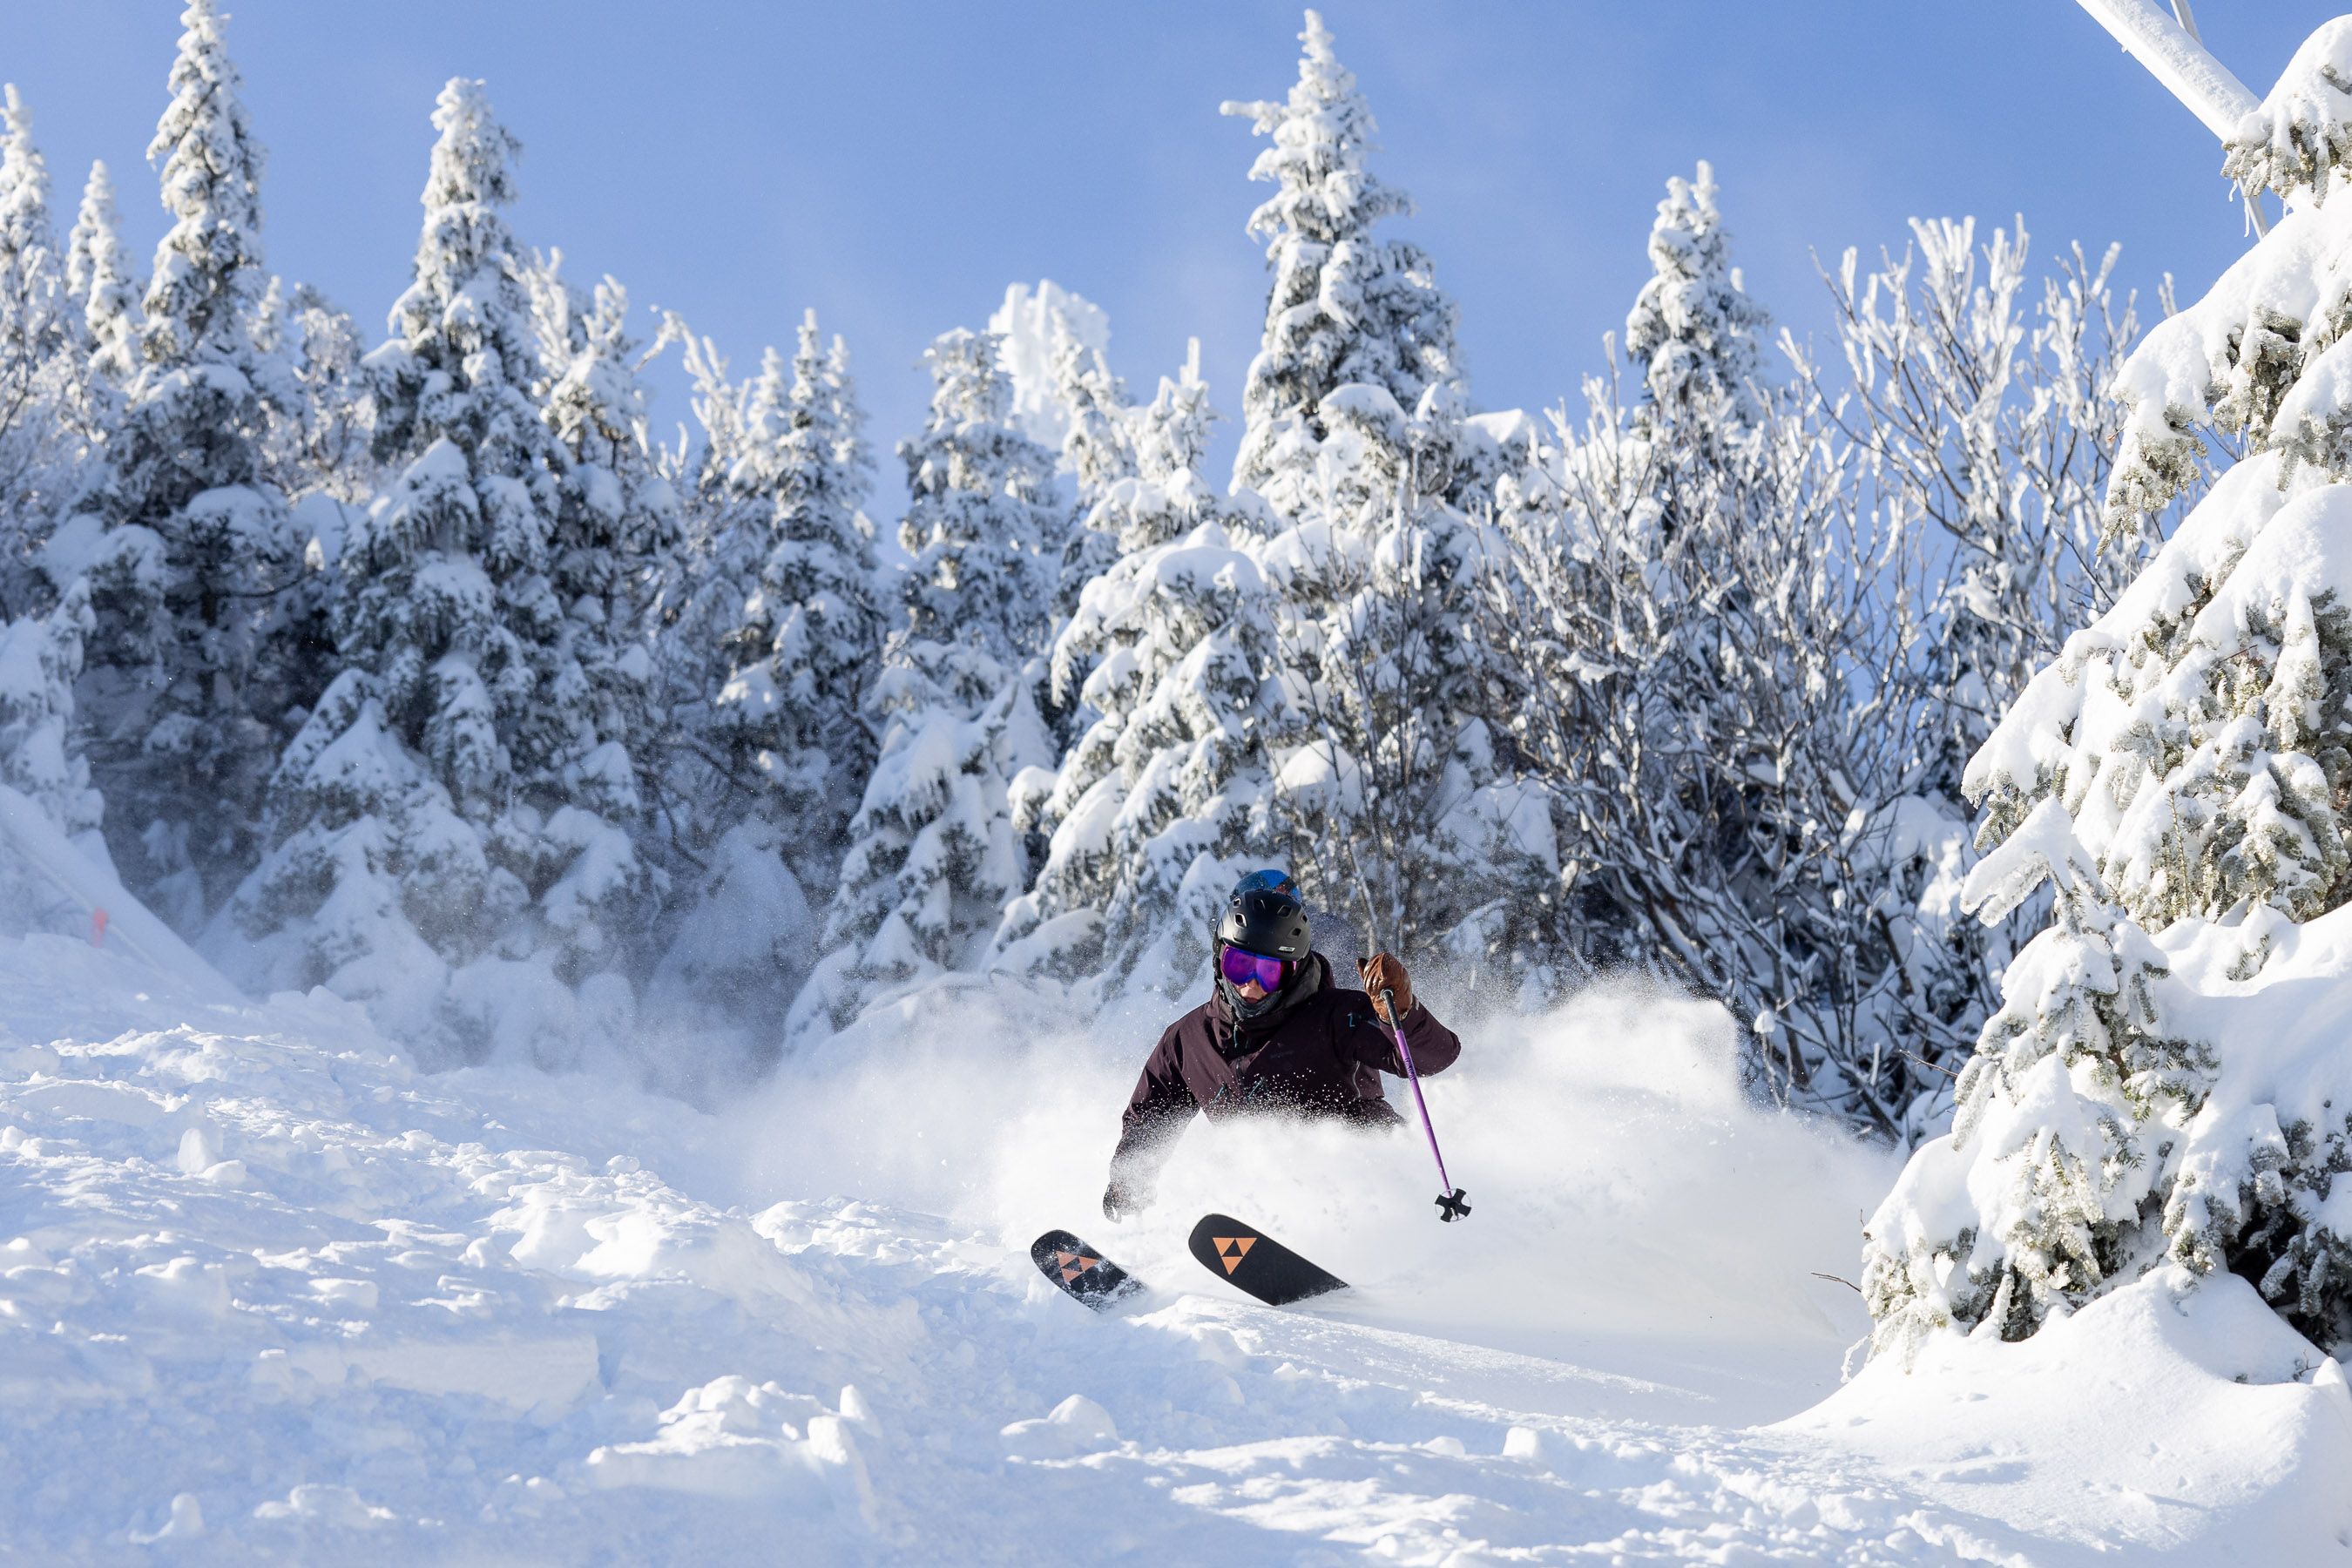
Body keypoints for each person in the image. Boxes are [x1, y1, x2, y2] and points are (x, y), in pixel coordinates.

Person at [1101, 869, 1463, 1221]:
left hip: (1372, 1185)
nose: (1251, 986)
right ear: (1219, 959)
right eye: (1240, 966)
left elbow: (1433, 1058)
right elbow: (1151, 1117)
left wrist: (1399, 1013)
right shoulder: (1189, 1039)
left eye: (1269, 972)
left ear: (1294, 968)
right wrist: (1129, 1182)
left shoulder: (1340, 1016)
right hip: (1269, 1200)